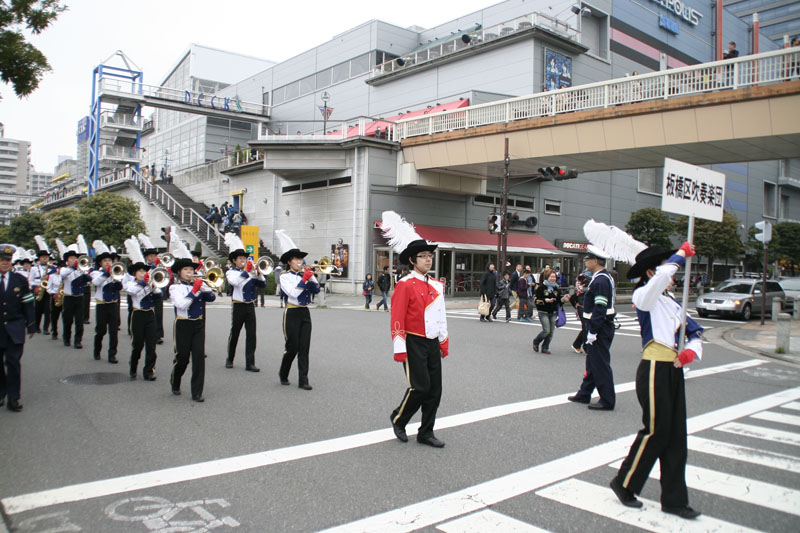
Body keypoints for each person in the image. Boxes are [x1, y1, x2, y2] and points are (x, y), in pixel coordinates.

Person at [610, 242, 703, 520]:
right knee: (656, 431)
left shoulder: (673, 302)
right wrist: (680, 254)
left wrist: (690, 353)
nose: (673, 276)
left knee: (676, 436)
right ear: (651, 271)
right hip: (652, 369)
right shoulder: (644, 295)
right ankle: (624, 483)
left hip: (673, 369)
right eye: (666, 269)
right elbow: (663, 276)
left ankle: (674, 500)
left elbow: (696, 333)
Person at [381, 211, 449, 448]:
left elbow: (441, 316)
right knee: (420, 387)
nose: (428, 259)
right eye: (423, 256)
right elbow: (397, 318)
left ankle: (426, 432)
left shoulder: (437, 285)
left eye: (430, 256)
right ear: (412, 260)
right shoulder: (404, 284)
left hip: (431, 342)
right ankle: (399, 419)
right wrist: (399, 347)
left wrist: (443, 340)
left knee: (435, 391)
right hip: (413, 342)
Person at [568, 244, 617, 410]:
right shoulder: (601, 277)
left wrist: (593, 331)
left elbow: (600, 308)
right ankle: (584, 393)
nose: (585, 261)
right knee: (592, 362)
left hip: (600, 326)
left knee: (600, 363)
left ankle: (607, 399)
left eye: (587, 259)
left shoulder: (601, 279)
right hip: (599, 325)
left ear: (596, 261)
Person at [276, 230, 320, 390]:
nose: (300, 261)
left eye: (301, 258)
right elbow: (293, 293)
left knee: (304, 347)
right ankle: (283, 372)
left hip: (304, 313)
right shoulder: (284, 276)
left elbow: (317, 290)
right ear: (290, 261)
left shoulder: (305, 275)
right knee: (292, 346)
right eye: (297, 258)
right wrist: (304, 278)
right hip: (291, 313)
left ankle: (303, 379)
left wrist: (311, 275)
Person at [169, 255, 216, 402]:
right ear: (179, 272)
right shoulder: (174, 287)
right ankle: (175, 380)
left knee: (198, 358)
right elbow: (182, 305)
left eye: (191, 269)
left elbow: (212, 298)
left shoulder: (198, 285)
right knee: (182, 358)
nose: (189, 272)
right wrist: (195, 290)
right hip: (183, 324)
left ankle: (196, 392)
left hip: (198, 325)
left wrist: (204, 287)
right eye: (186, 269)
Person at [0, 244, 36, 412]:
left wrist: (31, 325)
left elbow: (28, 304)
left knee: (13, 362)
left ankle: (13, 397)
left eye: (7, 260)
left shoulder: (20, 280)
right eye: (2, 260)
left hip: (15, 328)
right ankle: (1, 392)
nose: (5, 263)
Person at [224, 233, 266, 372]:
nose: (243, 260)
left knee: (251, 335)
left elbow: (262, 285)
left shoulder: (250, 272)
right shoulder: (231, 273)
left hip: (250, 305)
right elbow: (235, 282)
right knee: (235, 333)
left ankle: (250, 362)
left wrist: (259, 273)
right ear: (234, 260)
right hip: (238, 305)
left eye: (244, 258)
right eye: (240, 258)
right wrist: (247, 272)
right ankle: (230, 358)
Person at [124, 237, 160, 381]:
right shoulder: (131, 284)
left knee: (151, 346)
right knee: (137, 345)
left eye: (144, 271)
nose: (142, 273)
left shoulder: (149, 282)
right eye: (139, 271)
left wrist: (153, 286)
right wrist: (143, 283)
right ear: (134, 273)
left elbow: (158, 295)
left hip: (150, 315)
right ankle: (133, 366)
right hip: (137, 315)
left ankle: (148, 371)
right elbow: (132, 292)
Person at [91, 241, 122, 364]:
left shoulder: (116, 273)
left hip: (113, 305)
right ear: (100, 263)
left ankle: (112, 354)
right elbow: (96, 283)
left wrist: (115, 279)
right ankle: (97, 350)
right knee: (101, 330)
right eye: (105, 261)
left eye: (109, 261)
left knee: (113, 331)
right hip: (101, 305)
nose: (108, 263)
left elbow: (120, 287)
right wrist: (106, 274)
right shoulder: (97, 273)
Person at [59, 244, 91, 349]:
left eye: (75, 258)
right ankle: (66, 338)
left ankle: (78, 340)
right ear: (67, 260)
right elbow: (63, 275)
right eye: (72, 258)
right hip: (68, 297)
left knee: (79, 320)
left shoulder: (81, 270)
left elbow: (88, 280)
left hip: (80, 297)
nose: (74, 260)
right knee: (67, 320)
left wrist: (84, 273)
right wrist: (73, 267)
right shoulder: (64, 269)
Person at [532, 271, 569, 354]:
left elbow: (559, 301)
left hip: (553, 312)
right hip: (543, 311)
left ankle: (545, 347)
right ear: (547, 277)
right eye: (551, 277)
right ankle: (536, 341)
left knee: (551, 332)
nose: (553, 279)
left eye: (554, 277)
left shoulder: (556, 288)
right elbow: (535, 300)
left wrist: (564, 299)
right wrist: (545, 300)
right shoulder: (541, 287)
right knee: (546, 330)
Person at [138, 234, 164, 345]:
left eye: (154, 256)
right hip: (145, 293)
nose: (152, 258)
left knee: (158, 315)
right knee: (146, 315)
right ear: (147, 257)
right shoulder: (143, 267)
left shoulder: (158, 267)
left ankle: (158, 335)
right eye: (150, 256)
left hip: (157, 292)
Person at [29, 240, 54, 334]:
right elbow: (30, 281)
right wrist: (35, 287)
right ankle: (36, 326)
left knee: (48, 310)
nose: (45, 259)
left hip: (48, 290)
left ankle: (46, 328)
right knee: (38, 310)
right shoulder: (34, 269)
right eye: (43, 257)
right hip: (38, 290)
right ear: (39, 258)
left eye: (47, 257)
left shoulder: (51, 268)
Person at [569, 272, 591, 354]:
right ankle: (586, 347)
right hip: (581, 307)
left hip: (589, 308)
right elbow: (572, 298)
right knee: (585, 326)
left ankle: (576, 344)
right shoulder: (581, 288)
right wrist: (576, 306)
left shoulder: (592, 279)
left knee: (586, 327)